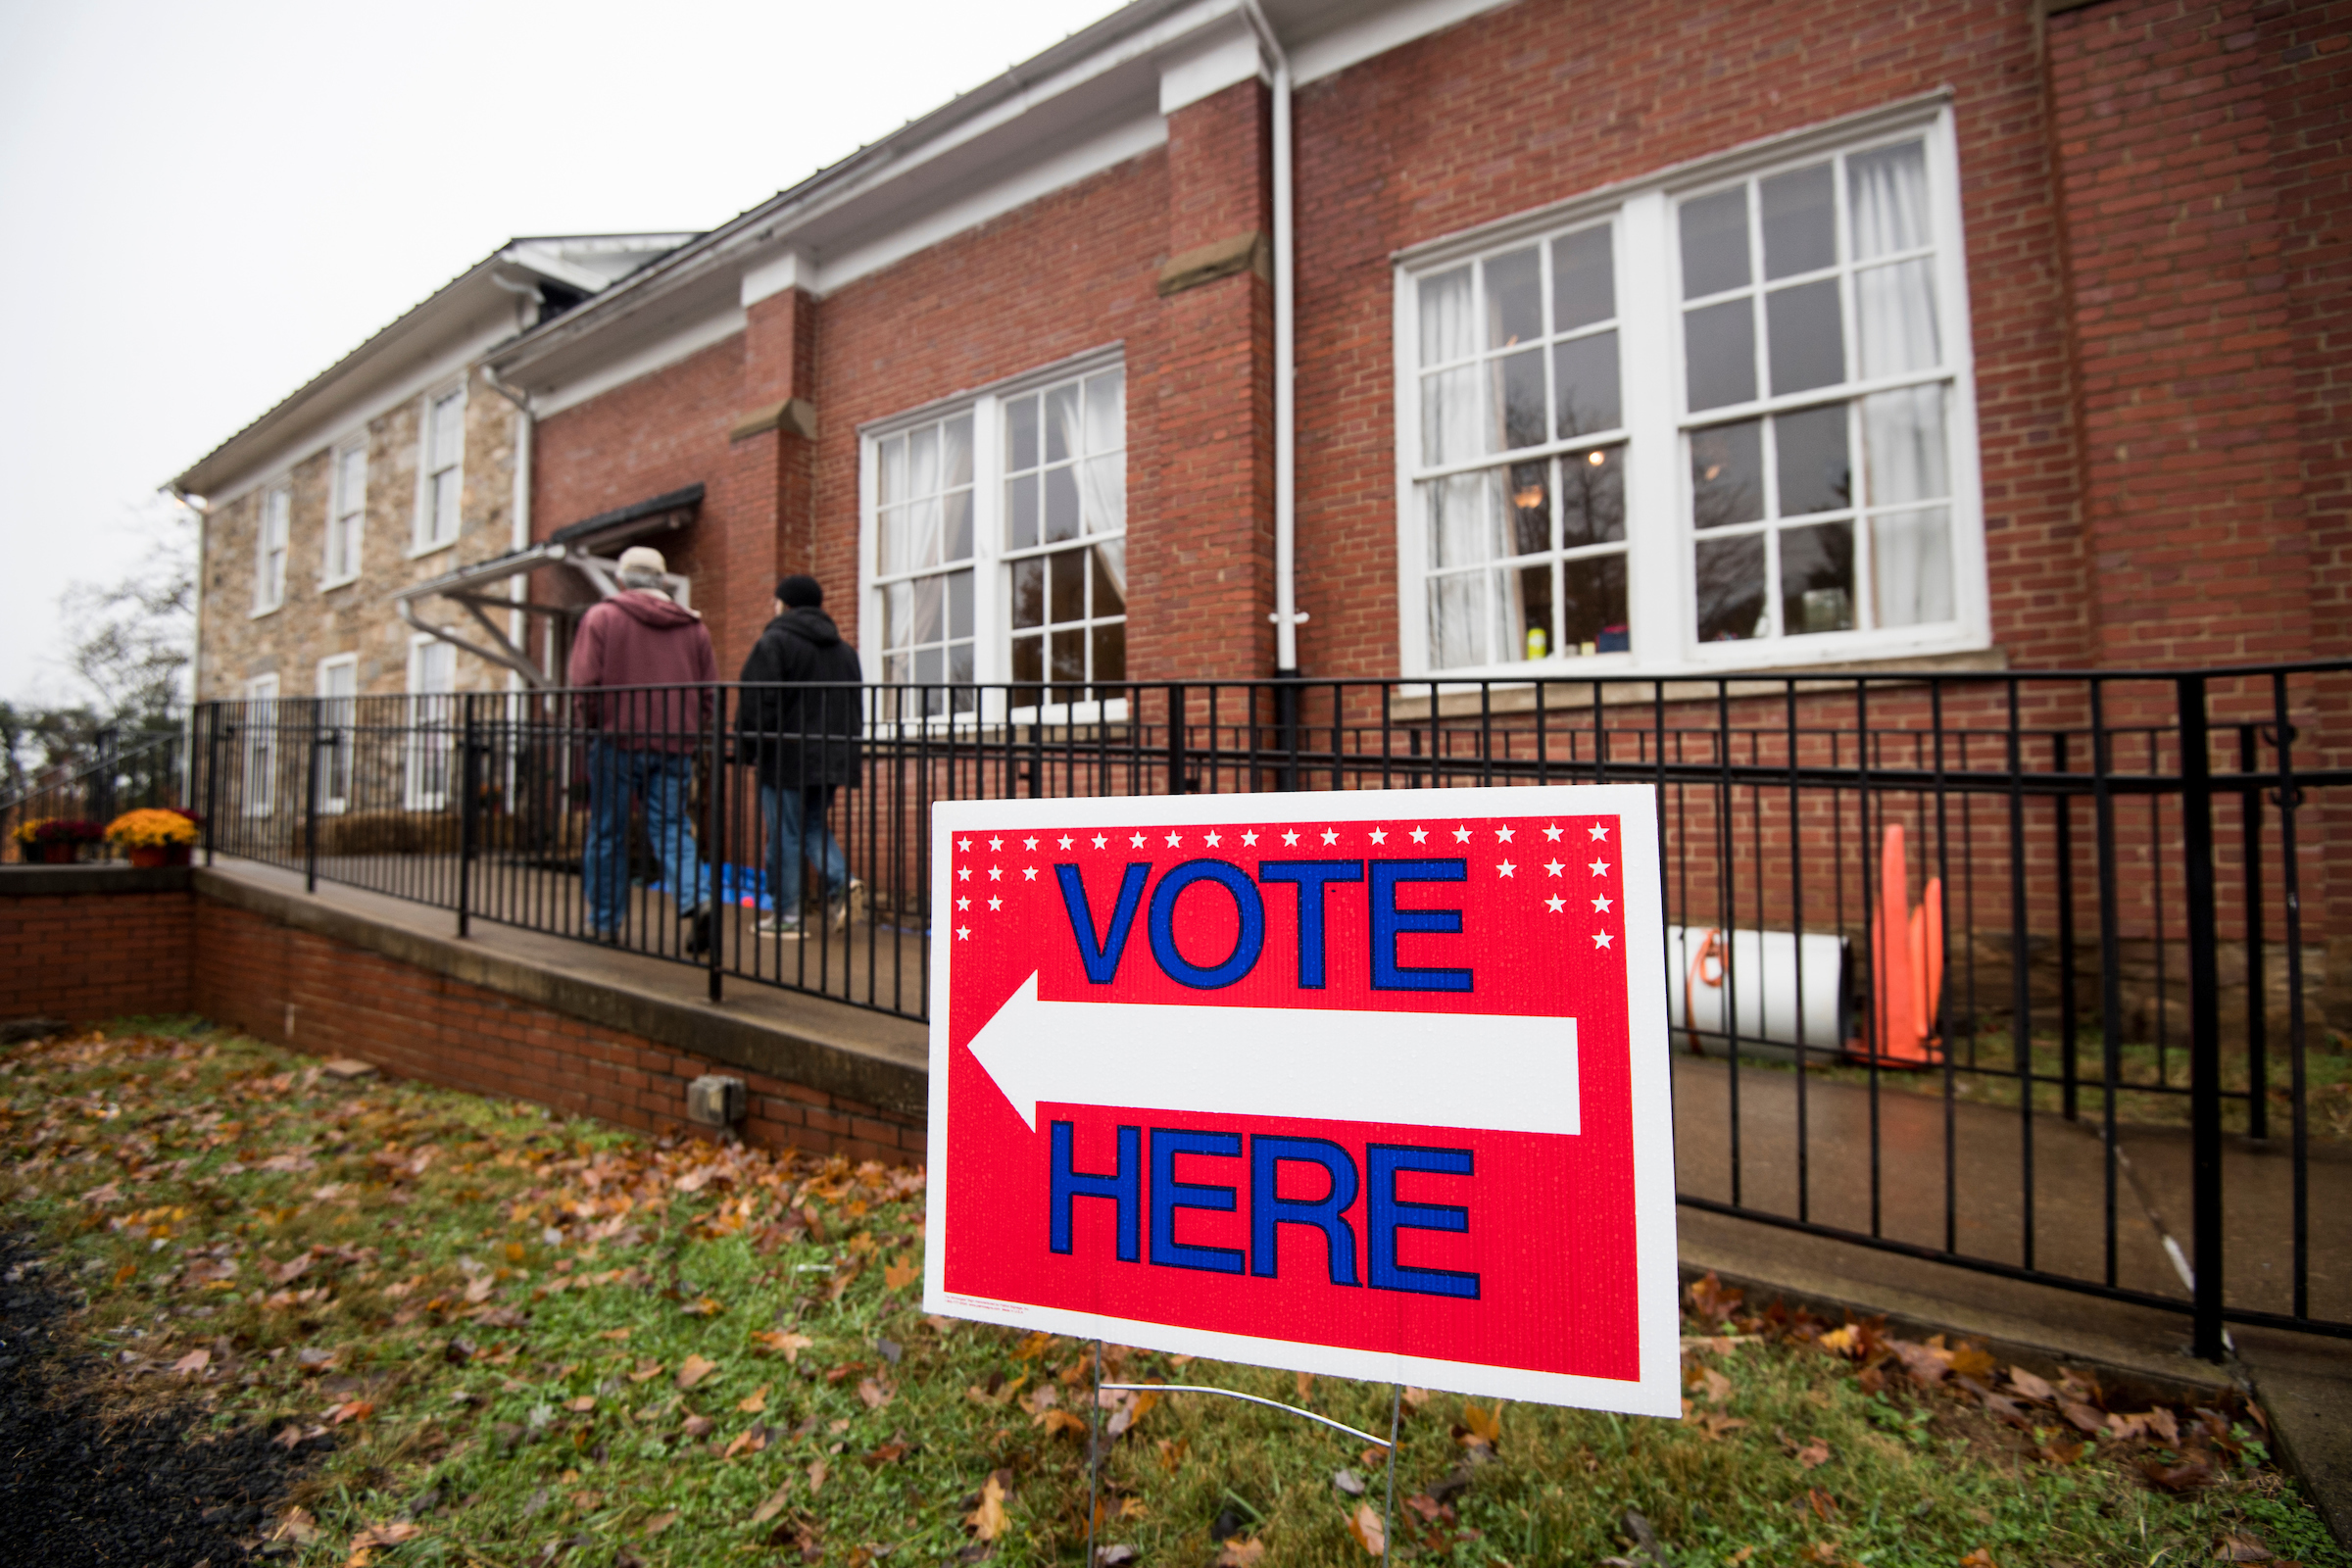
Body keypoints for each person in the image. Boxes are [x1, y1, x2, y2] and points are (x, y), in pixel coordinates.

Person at [568, 545, 717, 951]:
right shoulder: (693, 627)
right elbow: (709, 695)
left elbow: (585, 684)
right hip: (675, 743)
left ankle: (602, 922)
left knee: (607, 832)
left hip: (617, 740)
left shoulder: (601, 617)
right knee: (671, 828)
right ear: (662, 581)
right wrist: (692, 729)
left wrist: (596, 724)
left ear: (621, 579)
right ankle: (698, 900)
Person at [735, 574, 862, 936]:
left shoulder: (775, 641)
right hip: (832, 755)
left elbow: (757, 702)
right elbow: (853, 707)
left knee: (784, 834)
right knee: (811, 827)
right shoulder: (846, 652)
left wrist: (749, 749)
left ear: (785, 604)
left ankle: (787, 917)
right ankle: (843, 882)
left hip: (786, 756)